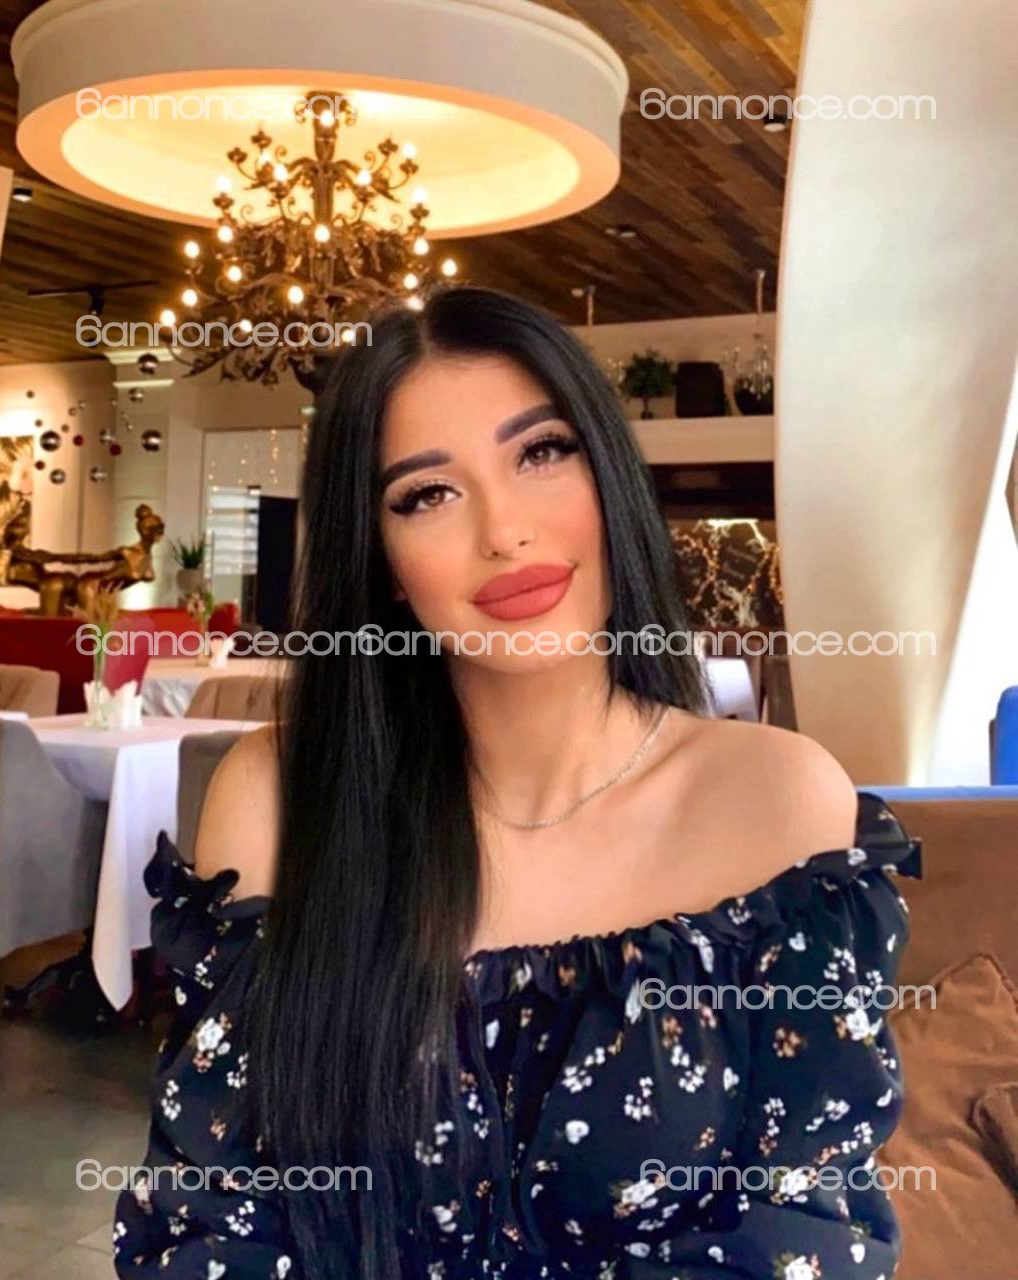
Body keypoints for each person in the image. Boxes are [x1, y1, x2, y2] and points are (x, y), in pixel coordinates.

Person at [114, 286, 921, 1280]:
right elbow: (212, 1223)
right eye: (427, 494)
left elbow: (804, 1238)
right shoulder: (279, 799)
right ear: (381, 559)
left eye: (540, 451)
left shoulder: (778, 805)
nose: (504, 530)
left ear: (607, 472)